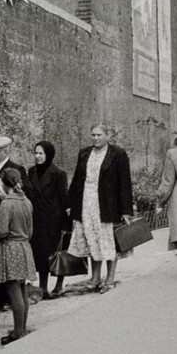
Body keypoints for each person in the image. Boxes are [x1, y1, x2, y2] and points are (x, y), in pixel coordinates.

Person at [66, 124, 134, 293]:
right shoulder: (84, 153)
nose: (95, 138)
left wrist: (126, 210)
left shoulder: (118, 154)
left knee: (107, 240)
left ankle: (110, 278)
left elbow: (125, 183)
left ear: (107, 135)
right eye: (93, 135)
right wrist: (71, 204)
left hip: (107, 204)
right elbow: (77, 180)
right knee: (91, 238)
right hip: (86, 202)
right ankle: (95, 277)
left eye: (99, 135)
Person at [0, 136, 33, 311]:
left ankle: (9, 300)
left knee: (10, 268)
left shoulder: (17, 169)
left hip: (11, 224)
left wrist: (6, 196)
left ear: (5, 151)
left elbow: (25, 192)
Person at [0, 168, 37, 345]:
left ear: (4, 183)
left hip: (10, 247)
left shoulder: (6, 204)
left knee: (13, 289)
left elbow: (0, 231)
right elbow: (30, 230)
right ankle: (21, 328)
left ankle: (18, 332)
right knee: (22, 287)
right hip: (24, 246)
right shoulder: (26, 201)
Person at [27, 141, 70, 299]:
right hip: (37, 220)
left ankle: (59, 285)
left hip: (54, 220)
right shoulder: (31, 172)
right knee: (40, 254)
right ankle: (43, 287)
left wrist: (65, 223)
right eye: (36, 153)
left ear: (48, 155)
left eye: (41, 153)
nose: (37, 156)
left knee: (57, 253)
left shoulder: (58, 173)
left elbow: (64, 198)